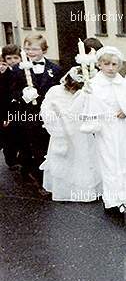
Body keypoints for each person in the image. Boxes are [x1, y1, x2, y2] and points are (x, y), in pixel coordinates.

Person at [87, 47, 126, 220]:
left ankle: (123, 196)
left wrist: (125, 110)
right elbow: (90, 104)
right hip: (104, 127)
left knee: (122, 159)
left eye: (114, 64)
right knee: (109, 162)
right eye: (106, 64)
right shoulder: (94, 84)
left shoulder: (123, 82)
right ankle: (111, 199)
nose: (110, 68)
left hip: (119, 127)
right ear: (99, 64)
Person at [6, 35, 61, 190]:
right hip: (27, 114)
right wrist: (22, 94)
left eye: (35, 48)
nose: (31, 52)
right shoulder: (17, 70)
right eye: (27, 48)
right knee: (30, 145)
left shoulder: (55, 69)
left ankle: (46, 175)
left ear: (44, 50)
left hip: (47, 113)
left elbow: (58, 90)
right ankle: (35, 177)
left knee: (45, 144)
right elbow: (10, 92)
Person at [40, 67, 100, 202]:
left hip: (80, 132)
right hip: (61, 130)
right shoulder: (55, 91)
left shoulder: (87, 93)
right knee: (62, 160)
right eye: (71, 87)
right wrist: (55, 121)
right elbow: (46, 108)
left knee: (82, 158)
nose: (73, 91)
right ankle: (63, 191)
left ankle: (84, 191)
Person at [0, 44, 22, 169]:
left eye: (15, 58)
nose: (12, 61)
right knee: (9, 138)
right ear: (4, 59)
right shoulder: (4, 76)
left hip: (22, 111)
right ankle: (11, 160)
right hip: (7, 112)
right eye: (9, 58)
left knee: (21, 137)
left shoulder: (25, 72)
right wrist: (5, 117)